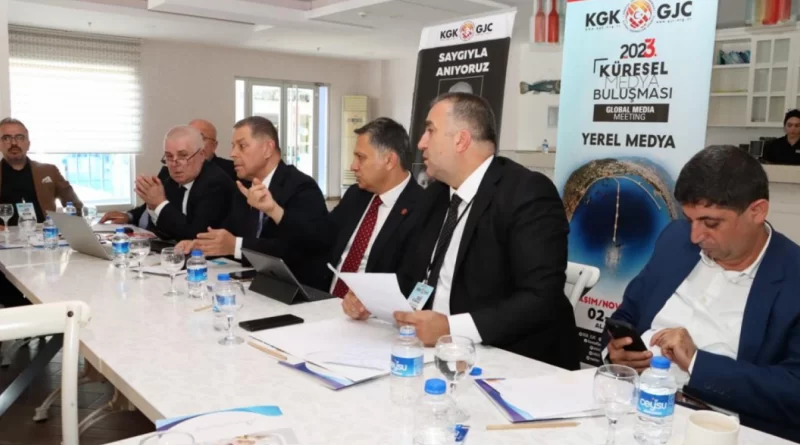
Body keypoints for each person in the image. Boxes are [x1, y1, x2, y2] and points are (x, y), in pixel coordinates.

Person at [342, 93, 578, 370]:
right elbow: (417, 275)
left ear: (461, 140)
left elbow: (541, 298)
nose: (421, 143)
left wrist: (451, 328)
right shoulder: (436, 195)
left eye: (430, 131)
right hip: (435, 352)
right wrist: (374, 300)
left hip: (513, 360)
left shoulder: (526, 193)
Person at [605, 145, 800, 441]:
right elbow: (627, 314)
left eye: (711, 223)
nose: (695, 236)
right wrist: (616, 353)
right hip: (635, 408)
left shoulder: (792, 277)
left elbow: (793, 390)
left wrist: (696, 363)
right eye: (690, 220)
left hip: (722, 428)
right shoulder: (675, 240)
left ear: (757, 211)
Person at [179, 116, 329, 290]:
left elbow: (298, 248)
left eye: (242, 146)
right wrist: (202, 245)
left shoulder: (301, 187)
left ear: (267, 148)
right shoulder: (244, 188)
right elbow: (229, 233)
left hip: (298, 290)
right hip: (255, 284)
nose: (233, 154)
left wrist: (236, 246)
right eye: (233, 146)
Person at [323, 117, 422, 296]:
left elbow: (411, 280)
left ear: (389, 160)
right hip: (326, 300)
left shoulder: (422, 208)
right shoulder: (355, 195)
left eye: (360, 157)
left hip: (375, 308)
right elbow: (322, 237)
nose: (353, 166)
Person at [100, 126, 234, 241]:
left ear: (202, 154)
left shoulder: (215, 184)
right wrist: (146, 207)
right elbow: (166, 225)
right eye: (169, 156)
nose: (175, 164)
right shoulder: (172, 179)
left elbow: (196, 237)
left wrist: (159, 203)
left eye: (183, 155)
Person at [0, 118, 83, 225]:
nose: (14, 143)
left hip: (45, 233)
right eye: (6, 138)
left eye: (19, 137)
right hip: (4, 234)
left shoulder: (49, 171)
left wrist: (66, 226)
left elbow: (75, 206)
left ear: (28, 144)